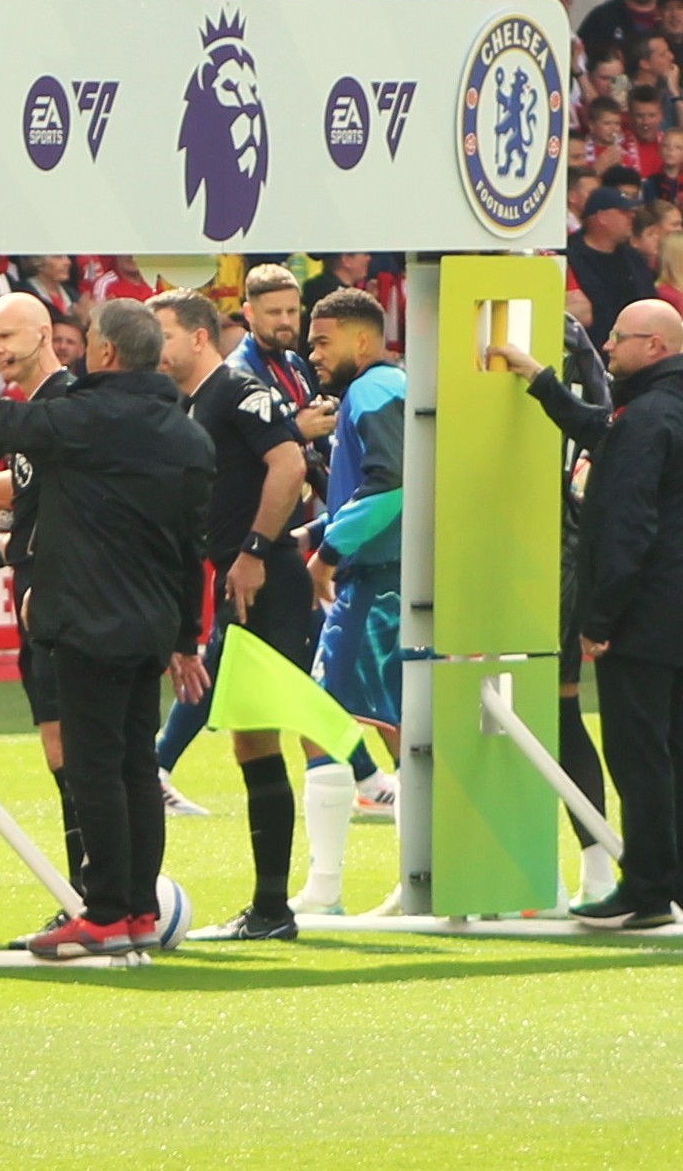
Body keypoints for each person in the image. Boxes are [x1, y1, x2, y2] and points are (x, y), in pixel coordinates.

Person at [0, 294, 209, 960]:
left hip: (89, 619)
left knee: (93, 767)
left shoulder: (88, 417)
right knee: (136, 765)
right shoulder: (186, 434)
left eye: (88, 337)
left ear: (105, 351)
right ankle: (137, 909)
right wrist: (185, 638)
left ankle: (106, 912)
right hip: (152, 624)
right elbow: (192, 549)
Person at [520, 294, 683, 932]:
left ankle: (645, 889)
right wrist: (543, 383)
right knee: (680, 747)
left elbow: (627, 527)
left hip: (644, 609)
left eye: (618, 336)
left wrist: (599, 618)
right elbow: (608, 437)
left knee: (640, 755)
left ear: (654, 347)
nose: (606, 346)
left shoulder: (649, 416)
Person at [152, 290, 316, 936]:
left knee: (262, 736)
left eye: (163, 334)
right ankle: (270, 907)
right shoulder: (191, 404)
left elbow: (289, 462)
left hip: (263, 581)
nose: (155, 347)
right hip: (238, 584)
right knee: (251, 740)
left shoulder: (236, 390)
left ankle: (274, 908)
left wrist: (254, 550)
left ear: (199, 336)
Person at [297, 285, 406, 916]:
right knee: (405, 727)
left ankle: (326, 890)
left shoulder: (371, 390)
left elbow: (391, 484)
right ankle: (418, 877)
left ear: (362, 340)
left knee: (327, 722)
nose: (313, 353)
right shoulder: (392, 387)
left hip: (377, 580)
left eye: (322, 341)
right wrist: (312, 533)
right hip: (397, 575)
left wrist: (329, 552)